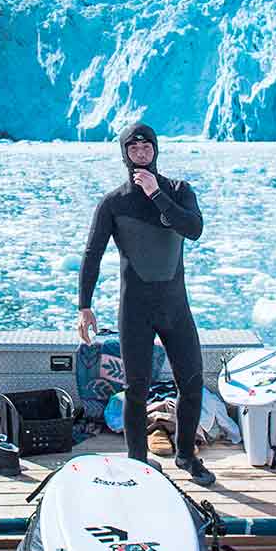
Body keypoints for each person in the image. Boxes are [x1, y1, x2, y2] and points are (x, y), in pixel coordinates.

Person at [76, 122, 215, 487]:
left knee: (193, 382)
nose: (140, 152)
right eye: (133, 147)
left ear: (156, 150)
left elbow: (194, 228)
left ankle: (186, 454)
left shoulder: (179, 191)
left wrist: (156, 194)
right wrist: (84, 304)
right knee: (136, 389)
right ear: (125, 153)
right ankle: (137, 463)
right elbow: (92, 254)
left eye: (146, 146)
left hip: (175, 308)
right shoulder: (113, 203)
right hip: (135, 308)